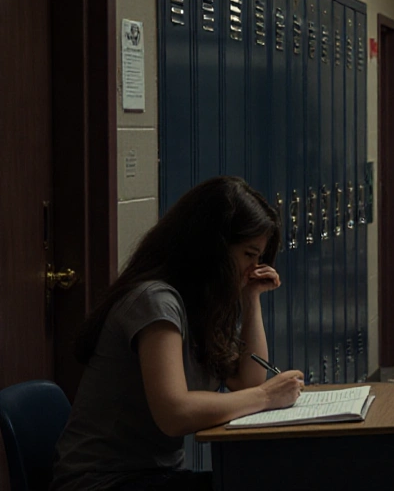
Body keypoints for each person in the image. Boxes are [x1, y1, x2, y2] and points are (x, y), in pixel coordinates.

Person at [51, 176, 306, 491]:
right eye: (248, 255)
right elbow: (174, 413)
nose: (254, 268)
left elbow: (246, 380)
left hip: (156, 476)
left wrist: (250, 298)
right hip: (104, 482)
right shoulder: (155, 301)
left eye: (259, 259)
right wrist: (267, 397)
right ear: (213, 248)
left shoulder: (200, 303)